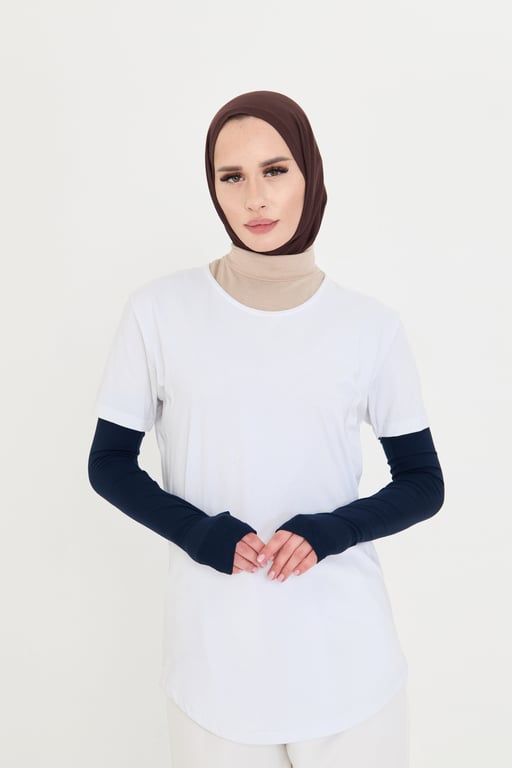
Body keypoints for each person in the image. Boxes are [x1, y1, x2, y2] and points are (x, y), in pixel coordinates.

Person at [88, 90, 444, 768]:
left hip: (349, 665)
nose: (254, 197)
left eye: (275, 170)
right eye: (232, 176)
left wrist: (331, 530)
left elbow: (424, 482)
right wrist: (198, 532)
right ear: (214, 188)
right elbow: (108, 462)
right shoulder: (159, 312)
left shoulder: (369, 326)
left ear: (309, 174)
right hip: (214, 670)